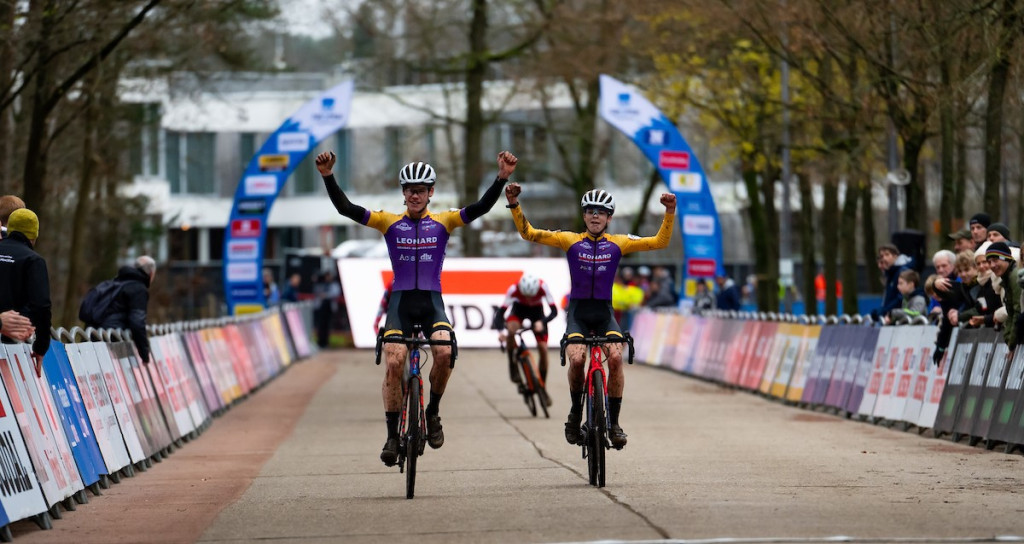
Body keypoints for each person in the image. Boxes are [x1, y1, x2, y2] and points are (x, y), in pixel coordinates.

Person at [316, 148, 516, 466]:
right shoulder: (388, 222)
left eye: (421, 191)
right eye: (410, 190)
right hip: (401, 303)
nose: (415, 196)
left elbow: (479, 208)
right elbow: (347, 209)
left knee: (445, 353)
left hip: (432, 302)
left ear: (430, 193)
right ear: (404, 193)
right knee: (394, 362)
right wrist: (328, 176)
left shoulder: (444, 221)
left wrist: (501, 177)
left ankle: (432, 412)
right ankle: (392, 436)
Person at [505, 181, 675, 449]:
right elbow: (530, 234)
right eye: (590, 210)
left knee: (617, 358)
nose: (595, 215)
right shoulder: (569, 240)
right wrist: (514, 205)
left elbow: (659, 242)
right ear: (584, 215)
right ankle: (574, 413)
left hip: (604, 313)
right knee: (577, 361)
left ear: (609, 218)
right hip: (578, 314)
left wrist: (669, 212)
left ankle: (615, 423)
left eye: (601, 211)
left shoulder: (619, 244)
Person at [0, 209, 51, 376]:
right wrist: (41, 346)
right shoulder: (33, 260)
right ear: (33, 237)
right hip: (10, 343)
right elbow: (41, 305)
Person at [491, 272, 558, 397]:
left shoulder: (543, 287)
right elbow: (500, 314)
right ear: (521, 290)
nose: (528, 299)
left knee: (543, 349)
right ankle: (512, 363)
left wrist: (542, 322)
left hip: (537, 314)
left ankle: (542, 387)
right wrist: (501, 332)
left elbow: (554, 311)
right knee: (511, 331)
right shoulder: (513, 289)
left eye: (531, 296)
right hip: (519, 311)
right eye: (525, 296)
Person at [95, 256, 157, 364]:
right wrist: (145, 354)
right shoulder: (139, 289)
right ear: (151, 274)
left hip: (93, 336)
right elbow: (137, 323)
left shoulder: (115, 282)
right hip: (112, 341)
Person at [987, 242, 1022, 352]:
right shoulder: (1007, 278)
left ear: (1006, 258)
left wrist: (1012, 343)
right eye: (989, 262)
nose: (992, 265)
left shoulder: (1014, 277)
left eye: (995, 260)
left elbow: (1018, 310)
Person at [871, 243, 913, 322]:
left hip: (900, 318)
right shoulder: (890, 274)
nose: (884, 258)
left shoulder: (902, 271)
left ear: (895, 256)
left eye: (887, 255)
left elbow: (901, 297)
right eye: (882, 256)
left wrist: (885, 311)